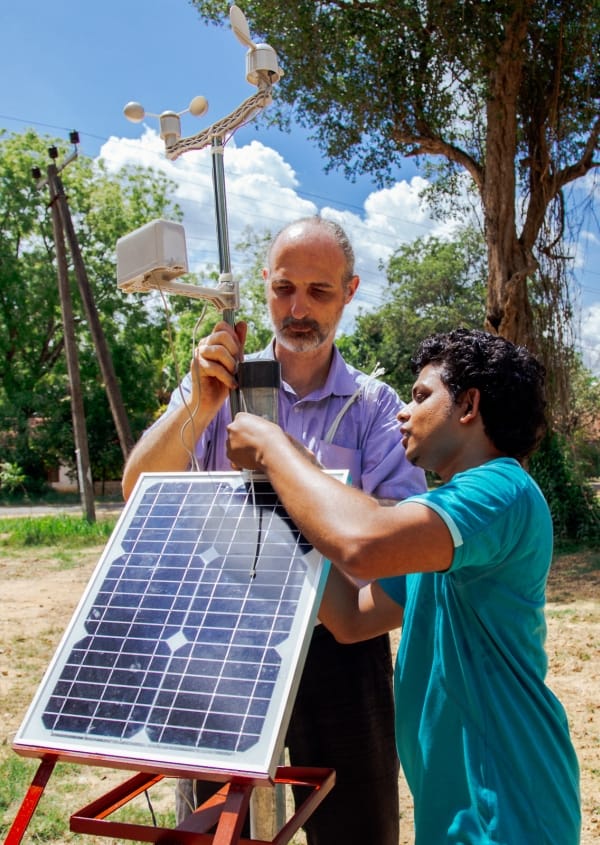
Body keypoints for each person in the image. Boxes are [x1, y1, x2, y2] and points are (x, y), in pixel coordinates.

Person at [122, 216, 427, 845]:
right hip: (219, 646)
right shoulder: (216, 385)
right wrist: (200, 404)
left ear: (350, 291)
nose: (298, 309)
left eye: (319, 292)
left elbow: (393, 548)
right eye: (285, 288)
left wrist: (297, 472)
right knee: (217, 828)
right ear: (264, 284)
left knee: (356, 825)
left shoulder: (373, 407)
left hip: (337, 645)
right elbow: (136, 491)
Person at [226, 328, 582, 845]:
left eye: (420, 396)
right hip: (456, 805)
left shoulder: (500, 489)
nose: (402, 412)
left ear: (469, 405)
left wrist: (275, 447)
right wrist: (282, 500)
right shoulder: (438, 532)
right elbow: (351, 619)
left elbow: (361, 542)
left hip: (506, 805)